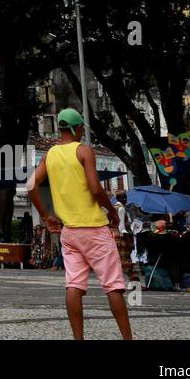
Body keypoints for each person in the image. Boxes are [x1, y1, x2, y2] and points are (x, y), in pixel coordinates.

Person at [28, 108, 133, 340]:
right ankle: (128, 339)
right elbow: (96, 189)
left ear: (60, 128)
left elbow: (30, 185)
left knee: (74, 285)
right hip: (94, 229)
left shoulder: (50, 155)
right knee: (113, 285)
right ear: (77, 129)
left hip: (69, 233)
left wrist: (46, 216)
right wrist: (112, 212)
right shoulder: (84, 151)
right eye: (81, 129)